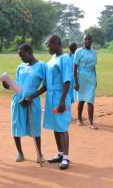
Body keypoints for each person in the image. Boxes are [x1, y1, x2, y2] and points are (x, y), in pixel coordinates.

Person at [2, 43, 46, 163]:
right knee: (16, 126)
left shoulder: (42, 66)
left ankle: (39, 154)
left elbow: (45, 86)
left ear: (29, 52)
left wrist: (31, 97)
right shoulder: (20, 67)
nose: (21, 58)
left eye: (22, 55)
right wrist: (8, 86)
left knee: (35, 126)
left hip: (32, 101)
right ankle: (20, 153)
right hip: (18, 100)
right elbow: (18, 84)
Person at [44, 35, 72, 170]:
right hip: (51, 97)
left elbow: (67, 81)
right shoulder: (53, 58)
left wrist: (62, 101)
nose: (47, 48)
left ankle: (66, 157)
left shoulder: (65, 59)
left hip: (60, 97)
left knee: (62, 126)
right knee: (56, 126)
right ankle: (60, 153)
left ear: (56, 43)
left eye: (49, 45)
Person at [74, 34, 98, 129]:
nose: (87, 40)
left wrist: (95, 79)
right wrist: (76, 82)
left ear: (91, 41)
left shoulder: (94, 52)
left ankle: (91, 123)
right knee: (82, 99)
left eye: (89, 39)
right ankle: (79, 119)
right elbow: (75, 67)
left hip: (91, 77)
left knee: (90, 100)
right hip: (81, 77)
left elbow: (94, 67)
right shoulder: (79, 51)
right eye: (86, 39)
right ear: (83, 41)